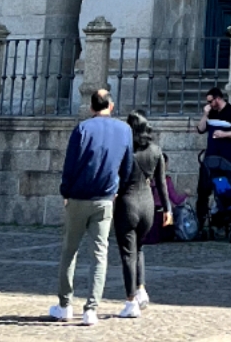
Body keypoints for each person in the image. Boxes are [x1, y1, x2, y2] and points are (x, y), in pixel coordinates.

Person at [50, 88, 132, 326]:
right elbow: (127, 166)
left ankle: (65, 305)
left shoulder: (83, 129)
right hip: (105, 198)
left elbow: (70, 165)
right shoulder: (124, 130)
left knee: (70, 251)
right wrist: (117, 189)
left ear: (91, 107)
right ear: (111, 106)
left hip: (78, 197)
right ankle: (91, 309)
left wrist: (65, 191)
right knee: (99, 254)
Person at [113, 112, 170, 319]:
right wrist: (168, 209)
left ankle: (130, 302)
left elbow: (115, 177)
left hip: (127, 203)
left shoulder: (124, 149)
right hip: (147, 205)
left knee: (128, 253)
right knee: (139, 249)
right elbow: (161, 184)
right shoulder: (155, 151)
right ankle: (141, 289)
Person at [194, 87, 231, 195]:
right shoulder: (211, 113)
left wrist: (225, 134)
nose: (208, 104)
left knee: (223, 188)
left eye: (210, 101)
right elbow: (200, 129)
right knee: (203, 187)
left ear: (217, 99)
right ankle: (202, 210)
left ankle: (221, 208)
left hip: (225, 158)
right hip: (210, 156)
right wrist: (205, 115)